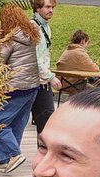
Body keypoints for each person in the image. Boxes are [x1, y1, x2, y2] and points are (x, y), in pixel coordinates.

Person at [0, 3, 41, 174]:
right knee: (17, 124)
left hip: (14, 87)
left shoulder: (9, 38)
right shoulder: (29, 36)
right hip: (32, 87)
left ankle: (12, 154)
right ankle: (3, 160)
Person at [30, 0, 61, 135]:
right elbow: (34, 58)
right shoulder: (33, 27)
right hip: (33, 81)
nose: (51, 10)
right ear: (37, 8)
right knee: (44, 121)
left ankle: (43, 154)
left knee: (46, 123)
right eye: (47, 7)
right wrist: (50, 77)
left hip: (42, 81)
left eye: (52, 7)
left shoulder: (46, 27)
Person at [55, 30, 100, 98]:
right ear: (83, 41)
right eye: (87, 43)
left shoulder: (68, 51)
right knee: (99, 93)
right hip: (72, 85)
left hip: (63, 83)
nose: (87, 46)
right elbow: (95, 69)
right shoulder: (79, 53)